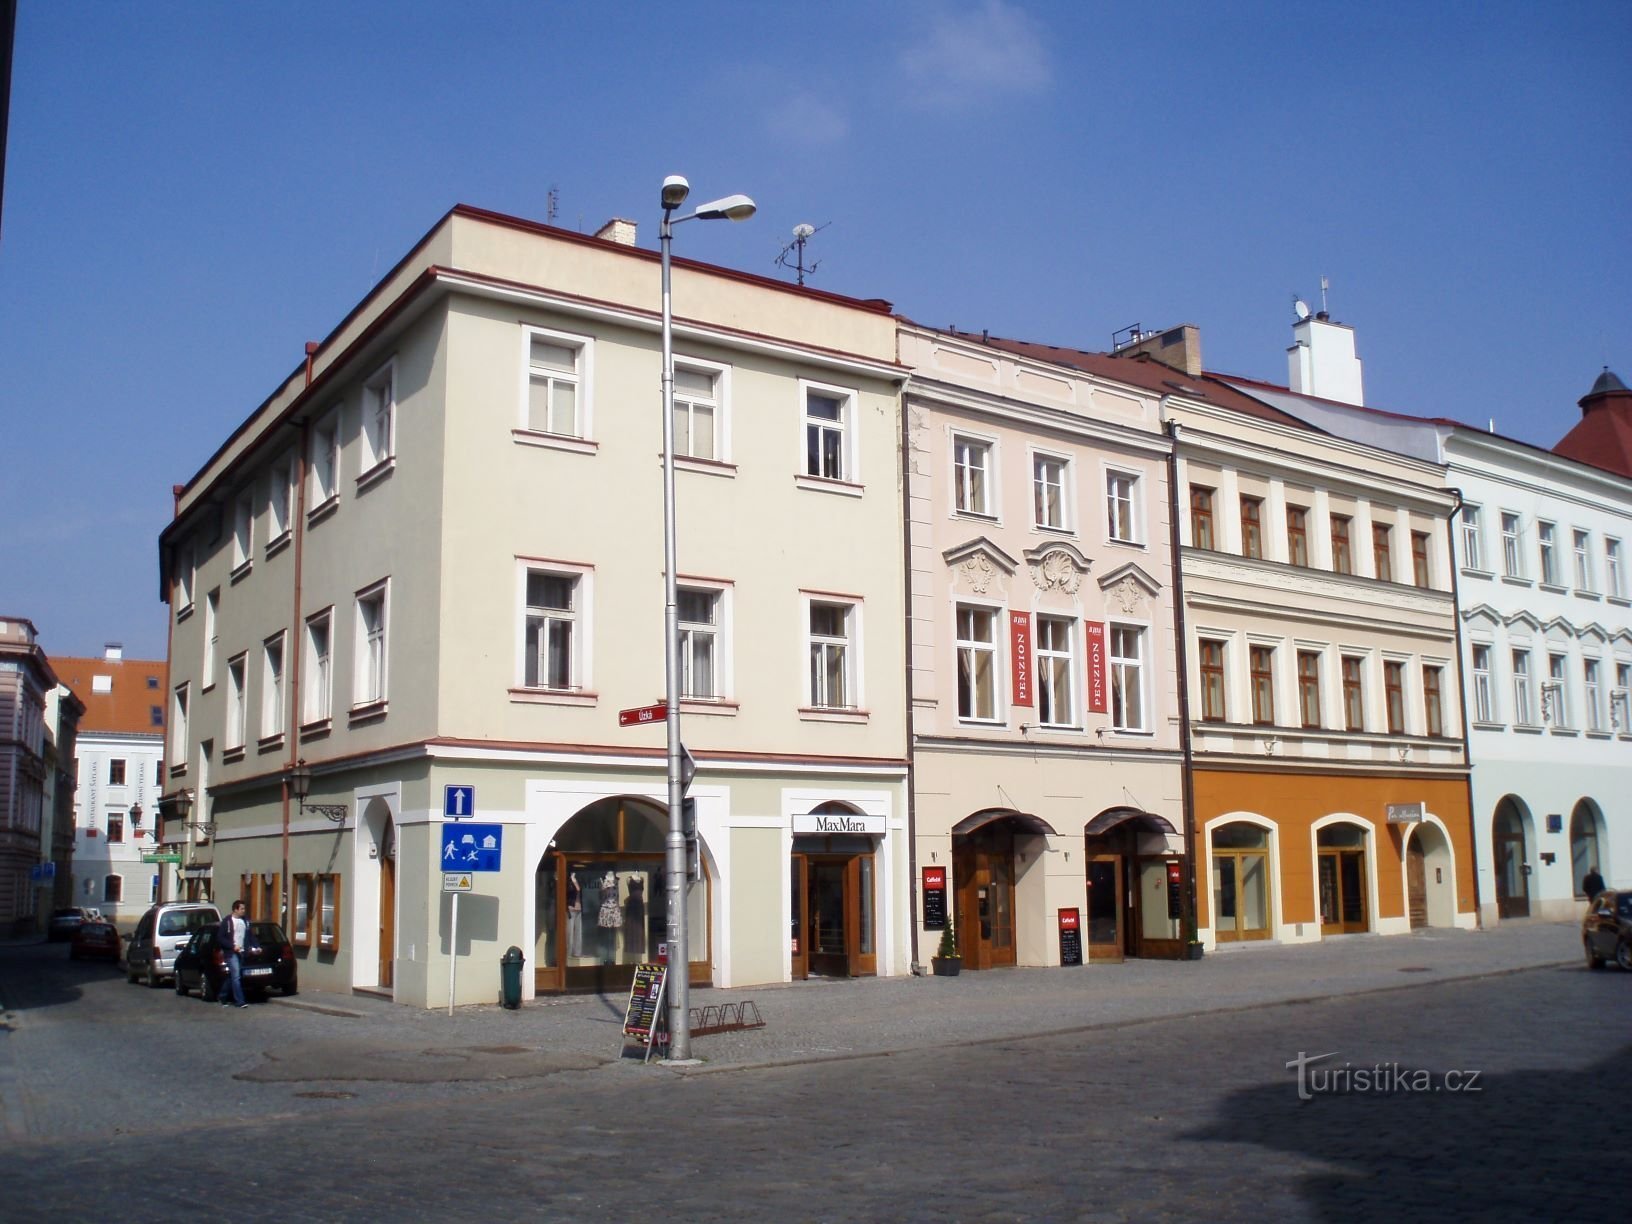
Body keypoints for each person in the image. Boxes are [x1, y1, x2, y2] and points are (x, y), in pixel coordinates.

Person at [216, 900, 250, 1008]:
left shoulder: (245, 921)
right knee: (236, 977)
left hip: (242, 952)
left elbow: (250, 935)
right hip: (231, 953)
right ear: (235, 909)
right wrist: (232, 946)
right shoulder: (227, 921)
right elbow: (220, 938)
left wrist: (256, 946)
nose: (244, 911)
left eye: (244, 909)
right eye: (242, 909)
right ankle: (240, 1001)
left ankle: (222, 996)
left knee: (232, 976)